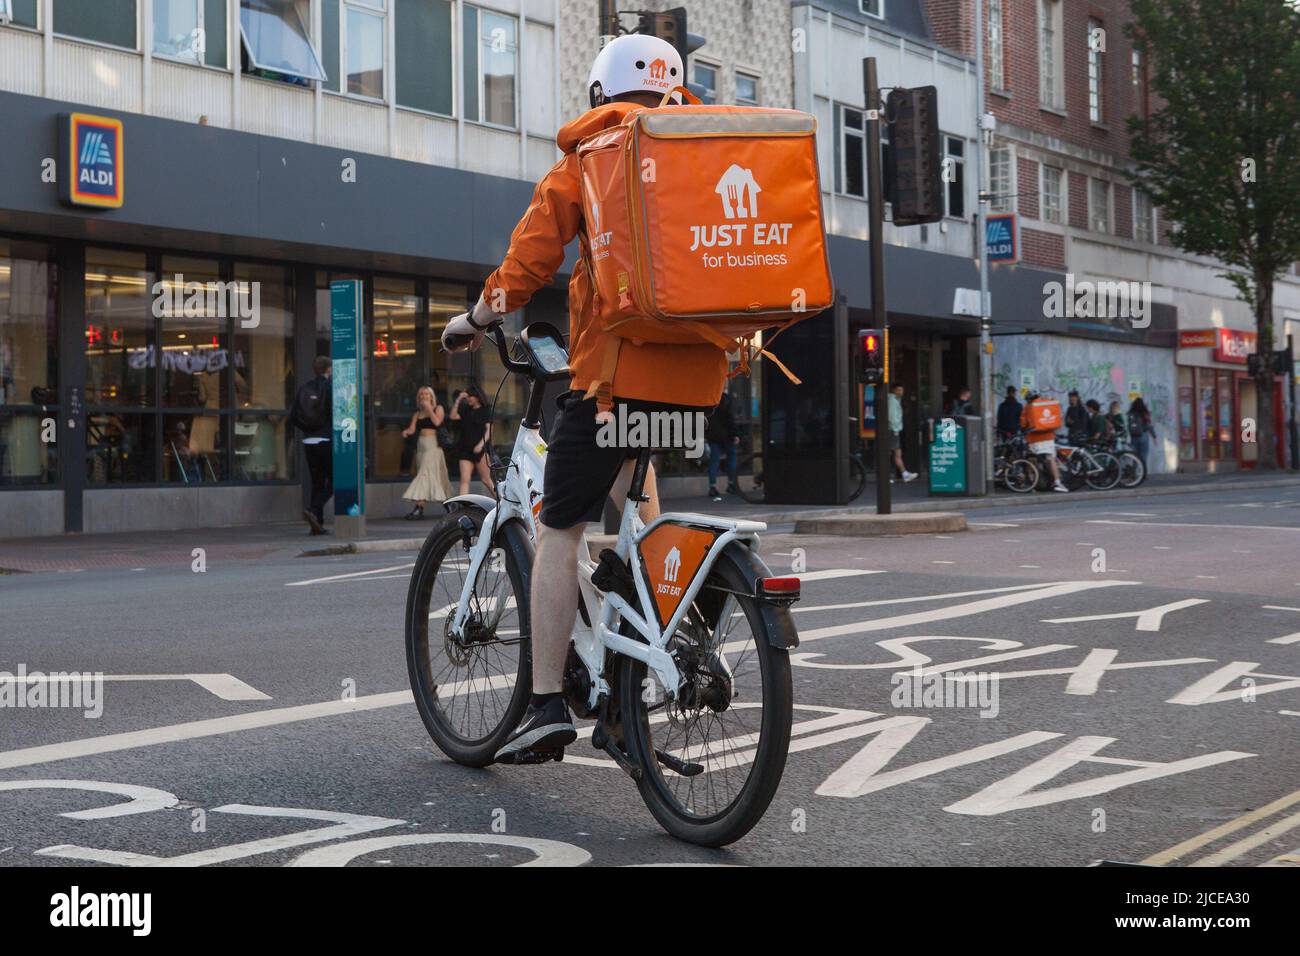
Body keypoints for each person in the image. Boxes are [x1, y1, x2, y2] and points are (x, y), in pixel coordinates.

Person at [441, 33, 726, 762]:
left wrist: (475, 320)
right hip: (694, 384)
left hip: (612, 382)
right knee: (637, 497)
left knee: (561, 530)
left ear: (600, 93)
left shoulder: (592, 156)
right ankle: (659, 662)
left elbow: (529, 259)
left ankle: (542, 708)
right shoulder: (702, 152)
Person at [292, 356, 332, 535]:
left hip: (308, 440)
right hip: (325, 439)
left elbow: (294, 416)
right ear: (328, 369)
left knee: (317, 481)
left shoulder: (304, 388)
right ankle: (314, 509)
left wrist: (308, 430)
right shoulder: (329, 387)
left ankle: (317, 523)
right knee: (334, 480)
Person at [400, 386, 451, 520]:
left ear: (431, 396)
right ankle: (447, 506)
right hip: (421, 446)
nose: (423, 396)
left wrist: (429, 408)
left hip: (433, 446)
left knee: (424, 475)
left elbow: (437, 422)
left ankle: (419, 508)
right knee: (432, 477)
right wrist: (406, 432)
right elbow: (412, 429)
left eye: (426, 394)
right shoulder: (417, 414)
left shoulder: (438, 408)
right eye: (421, 394)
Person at [449, 385, 495, 497]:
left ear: (477, 397)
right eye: (467, 396)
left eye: (471, 397)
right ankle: (463, 507)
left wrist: (480, 445)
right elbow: (453, 416)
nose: (468, 399)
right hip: (465, 449)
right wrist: (459, 399)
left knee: (486, 479)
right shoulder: (465, 409)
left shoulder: (486, 410)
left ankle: (502, 502)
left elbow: (489, 430)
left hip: (481, 450)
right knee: (464, 480)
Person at [1021, 391, 1068, 492]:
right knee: (1051, 459)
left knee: (1031, 460)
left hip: (1034, 438)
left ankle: (1032, 484)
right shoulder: (1047, 403)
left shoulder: (1028, 407)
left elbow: (1023, 423)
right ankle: (1057, 482)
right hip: (1048, 437)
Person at [705, 393, 740, 502]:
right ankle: (731, 484)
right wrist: (735, 434)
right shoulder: (726, 399)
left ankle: (713, 486)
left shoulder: (709, 398)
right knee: (732, 458)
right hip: (726, 435)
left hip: (713, 435)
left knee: (714, 461)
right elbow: (730, 417)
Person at [889, 383, 917, 482]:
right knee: (891, 453)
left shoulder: (896, 400)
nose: (901, 392)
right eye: (899, 390)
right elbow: (892, 417)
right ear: (894, 390)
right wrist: (896, 428)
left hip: (894, 430)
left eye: (902, 390)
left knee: (897, 453)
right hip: (893, 430)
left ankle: (904, 473)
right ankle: (888, 475)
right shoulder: (892, 401)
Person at [1128, 396, 1155, 471]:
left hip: (1134, 436)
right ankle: (1143, 473)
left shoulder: (1131, 413)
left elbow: (1129, 425)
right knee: (1143, 456)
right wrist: (1154, 436)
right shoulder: (1145, 413)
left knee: (1134, 456)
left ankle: (1133, 473)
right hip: (1143, 435)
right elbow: (1149, 425)